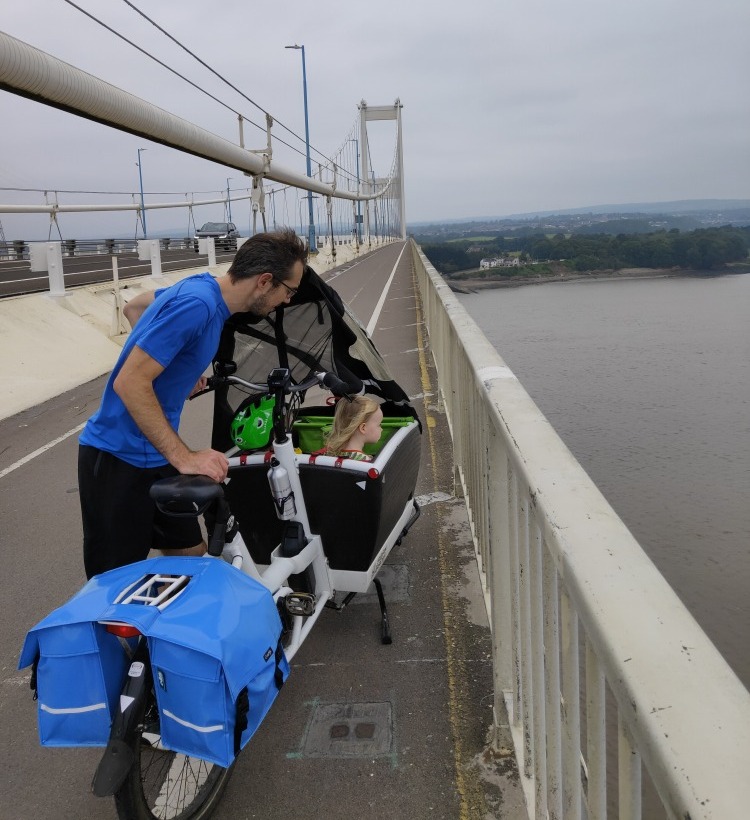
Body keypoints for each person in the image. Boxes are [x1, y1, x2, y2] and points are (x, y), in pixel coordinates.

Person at [78, 228, 307, 579]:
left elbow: (134, 306)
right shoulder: (198, 305)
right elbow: (129, 382)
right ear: (264, 281)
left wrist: (172, 365)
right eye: (288, 290)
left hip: (155, 453)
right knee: (112, 590)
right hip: (117, 461)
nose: (288, 301)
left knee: (193, 561)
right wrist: (185, 457)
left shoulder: (203, 289)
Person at [324, 396, 383, 462]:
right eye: (379, 425)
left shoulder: (328, 454)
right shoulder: (367, 462)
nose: (381, 429)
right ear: (363, 428)